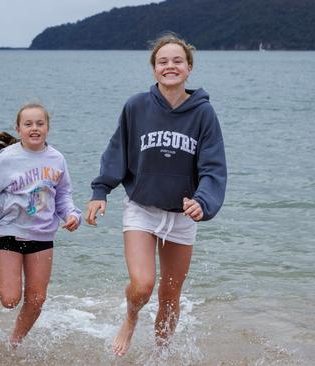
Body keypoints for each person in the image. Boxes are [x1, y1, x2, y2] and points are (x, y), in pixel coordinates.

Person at [85, 34, 227, 356]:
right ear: (154, 69)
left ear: (189, 68)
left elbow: (213, 167)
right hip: (142, 209)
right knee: (143, 285)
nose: (170, 66)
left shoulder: (203, 113)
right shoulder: (136, 106)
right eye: (163, 61)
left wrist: (202, 202)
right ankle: (131, 317)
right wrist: (100, 191)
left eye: (178, 61)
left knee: (170, 293)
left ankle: (161, 355)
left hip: (182, 214)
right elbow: (117, 151)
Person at [0, 103, 81, 345]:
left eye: (40, 124)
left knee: (36, 299)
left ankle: (14, 343)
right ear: (18, 128)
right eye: (28, 124)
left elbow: (63, 196)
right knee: (10, 300)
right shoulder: (7, 158)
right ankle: (7, 281)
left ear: (48, 128)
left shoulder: (57, 159)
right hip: (8, 232)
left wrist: (72, 216)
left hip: (42, 237)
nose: (34, 128)